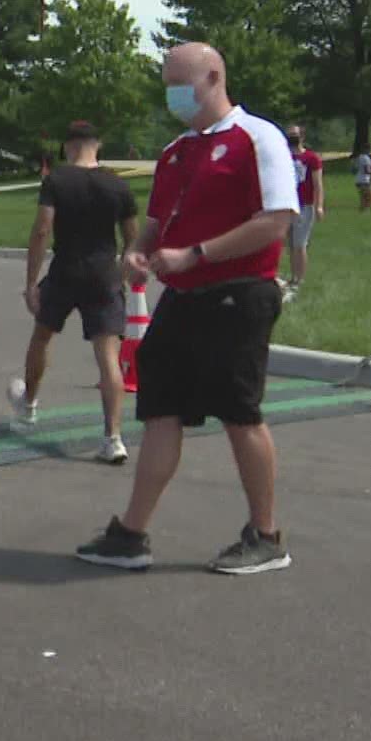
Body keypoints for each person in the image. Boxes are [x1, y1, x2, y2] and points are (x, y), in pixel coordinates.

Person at [76, 42, 296, 577]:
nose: (172, 92)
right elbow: (158, 220)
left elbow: (277, 220)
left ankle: (266, 535)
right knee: (160, 409)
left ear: (214, 77)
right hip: (185, 297)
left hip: (239, 292)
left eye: (180, 81)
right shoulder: (177, 151)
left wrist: (197, 253)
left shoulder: (257, 138)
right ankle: (131, 534)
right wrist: (140, 252)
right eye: (167, 81)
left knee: (239, 412)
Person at [6, 121, 137, 464]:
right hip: (104, 274)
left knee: (42, 337)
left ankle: (29, 403)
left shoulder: (57, 180)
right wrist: (123, 271)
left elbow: (42, 229)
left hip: (66, 271)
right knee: (108, 357)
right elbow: (132, 237)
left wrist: (31, 283)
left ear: (68, 146)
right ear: (99, 144)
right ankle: (113, 438)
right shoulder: (117, 184)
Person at [285, 125, 324, 296]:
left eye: (294, 135)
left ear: (302, 137)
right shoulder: (283, 155)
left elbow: (318, 184)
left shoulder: (311, 158)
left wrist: (319, 205)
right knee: (290, 243)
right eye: (289, 135)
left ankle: (299, 279)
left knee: (300, 244)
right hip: (286, 205)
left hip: (304, 205)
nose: (292, 137)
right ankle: (293, 277)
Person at [352, 146, 371, 211]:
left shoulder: (358, 157)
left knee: (363, 198)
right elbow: (367, 171)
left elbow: (354, 170)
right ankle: (365, 211)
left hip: (358, 180)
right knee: (370, 198)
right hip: (364, 181)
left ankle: (362, 213)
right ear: (367, 149)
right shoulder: (366, 158)